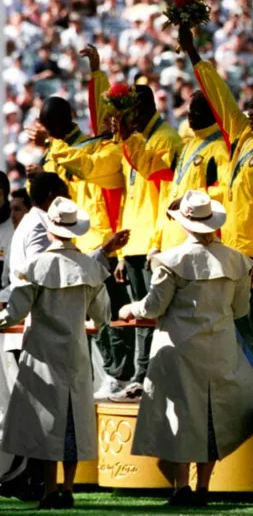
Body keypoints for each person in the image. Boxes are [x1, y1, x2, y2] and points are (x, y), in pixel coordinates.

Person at [118, 190, 253, 507]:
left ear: (184, 223)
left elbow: (153, 307)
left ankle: (181, 486)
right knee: (214, 415)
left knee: (181, 416)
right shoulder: (237, 260)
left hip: (178, 349)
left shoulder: (170, 261)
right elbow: (241, 309)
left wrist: (130, 309)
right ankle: (203, 486)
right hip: (220, 347)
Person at [183, 26, 253, 399]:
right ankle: (251, 380)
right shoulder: (243, 139)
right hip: (229, 250)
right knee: (237, 321)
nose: (245, 114)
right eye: (246, 109)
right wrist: (195, 57)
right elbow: (220, 98)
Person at [0, 197, 110, 509]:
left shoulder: (35, 267)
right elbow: (101, 313)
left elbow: (15, 311)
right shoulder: (90, 268)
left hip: (42, 353)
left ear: (50, 230)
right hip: (75, 352)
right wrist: (96, 324)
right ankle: (69, 488)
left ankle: (49, 490)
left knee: (47, 421)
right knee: (73, 420)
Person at [30, 72, 130, 401]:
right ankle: (110, 374)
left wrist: (97, 73)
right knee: (91, 315)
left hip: (106, 241)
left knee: (110, 313)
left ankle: (120, 374)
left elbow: (83, 166)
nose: (50, 132)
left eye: (52, 126)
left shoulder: (97, 148)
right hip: (81, 241)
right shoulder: (62, 149)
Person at [89, 76, 183, 403]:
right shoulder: (137, 140)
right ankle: (140, 375)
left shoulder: (166, 140)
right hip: (134, 243)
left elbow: (165, 198)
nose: (125, 120)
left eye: (128, 112)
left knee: (151, 316)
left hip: (153, 243)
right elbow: (133, 198)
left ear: (142, 108)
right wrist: (122, 251)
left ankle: (148, 375)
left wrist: (156, 244)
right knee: (138, 318)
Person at [146, 91, 229, 254]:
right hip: (171, 241)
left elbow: (225, 190)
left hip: (199, 243)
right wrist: (157, 243)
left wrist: (190, 199)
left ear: (213, 113)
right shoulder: (187, 147)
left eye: (197, 112)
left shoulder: (220, 150)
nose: (191, 117)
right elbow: (168, 196)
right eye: (190, 112)